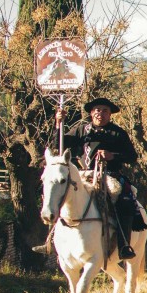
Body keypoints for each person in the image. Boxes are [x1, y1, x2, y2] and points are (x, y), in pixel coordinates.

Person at [39, 97, 139, 260]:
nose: (101, 113)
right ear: (92, 113)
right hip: (84, 174)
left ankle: (124, 245)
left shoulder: (118, 133)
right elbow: (59, 144)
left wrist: (112, 156)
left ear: (110, 114)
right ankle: (50, 240)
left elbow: (132, 156)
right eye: (97, 110)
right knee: (60, 193)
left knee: (124, 201)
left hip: (109, 175)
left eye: (105, 111)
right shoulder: (81, 130)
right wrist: (58, 123)